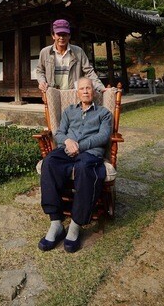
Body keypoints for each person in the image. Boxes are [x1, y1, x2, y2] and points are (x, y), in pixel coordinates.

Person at [38, 77, 112, 253]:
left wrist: (80, 146)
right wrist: (69, 141)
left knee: (85, 169)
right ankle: (56, 223)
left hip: (89, 152)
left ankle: (75, 225)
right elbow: (59, 133)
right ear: (77, 93)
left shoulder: (104, 113)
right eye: (82, 89)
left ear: (93, 91)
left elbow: (103, 136)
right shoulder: (69, 111)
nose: (86, 91)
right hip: (66, 150)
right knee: (49, 162)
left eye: (88, 88)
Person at [36, 19, 105, 93]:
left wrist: (100, 87)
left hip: (73, 93)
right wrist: (42, 81)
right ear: (53, 36)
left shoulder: (78, 52)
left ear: (69, 36)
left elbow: (89, 72)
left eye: (64, 34)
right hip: (53, 94)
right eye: (59, 34)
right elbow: (40, 71)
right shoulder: (45, 52)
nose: (61, 38)